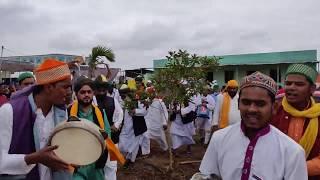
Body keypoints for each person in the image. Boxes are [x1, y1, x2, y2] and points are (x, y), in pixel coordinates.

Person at [194, 71, 307, 180]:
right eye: (246, 102)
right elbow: (207, 176)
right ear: (238, 104)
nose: (252, 109)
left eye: (260, 104)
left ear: (274, 107)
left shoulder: (292, 152)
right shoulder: (219, 138)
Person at [0, 58, 73, 180]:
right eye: (65, 87)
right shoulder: (9, 111)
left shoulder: (60, 112)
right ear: (49, 87)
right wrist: (33, 158)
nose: (69, 92)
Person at [271, 64, 320, 179]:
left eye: (299, 84)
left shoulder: (318, 115)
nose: (291, 87)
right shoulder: (273, 111)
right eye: (288, 83)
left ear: (312, 89)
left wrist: (294, 169)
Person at [68, 77, 111, 180]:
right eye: (82, 92)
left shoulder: (100, 112)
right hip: (77, 164)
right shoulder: (68, 112)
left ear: (93, 93)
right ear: (76, 94)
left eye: (89, 92)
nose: (86, 95)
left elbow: (107, 134)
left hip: (96, 162)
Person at [94, 75, 124, 180]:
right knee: (96, 166)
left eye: (104, 90)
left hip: (112, 139)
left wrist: (115, 125)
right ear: (95, 89)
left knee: (111, 166)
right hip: (96, 140)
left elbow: (120, 113)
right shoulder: (91, 101)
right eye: (99, 90)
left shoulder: (112, 100)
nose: (101, 92)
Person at [118, 86, 150, 167]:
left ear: (127, 93)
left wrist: (135, 111)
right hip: (125, 128)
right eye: (121, 95)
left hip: (136, 127)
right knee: (122, 144)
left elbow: (145, 111)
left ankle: (130, 160)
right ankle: (126, 158)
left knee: (134, 146)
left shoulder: (136, 101)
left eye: (123, 95)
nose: (121, 96)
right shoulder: (122, 101)